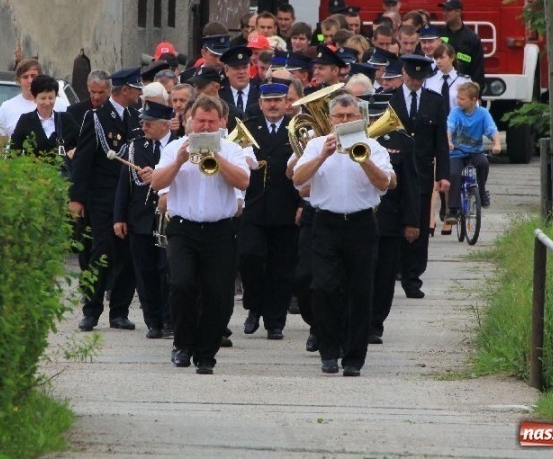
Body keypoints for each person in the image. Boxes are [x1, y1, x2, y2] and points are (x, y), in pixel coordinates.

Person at [292, 94, 393, 376]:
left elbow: (384, 183)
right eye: (339, 117)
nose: (344, 121)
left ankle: (353, 359)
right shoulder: (315, 145)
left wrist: (362, 159)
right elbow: (298, 180)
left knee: (360, 292)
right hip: (325, 224)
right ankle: (329, 351)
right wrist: (323, 155)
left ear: (360, 119)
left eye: (350, 117)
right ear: (331, 119)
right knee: (323, 288)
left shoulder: (373, 146)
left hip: (362, 224)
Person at [151, 95, 250, 375]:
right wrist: (180, 160)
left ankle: (206, 354)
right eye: (200, 121)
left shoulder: (231, 149)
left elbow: (243, 181)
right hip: (184, 228)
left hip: (220, 230)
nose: (205, 126)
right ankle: (182, 344)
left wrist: (216, 157)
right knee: (182, 284)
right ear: (188, 121)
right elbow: (157, 183)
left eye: (211, 121)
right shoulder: (173, 149)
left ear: (221, 123)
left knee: (217, 295)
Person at [70, 67, 144, 332]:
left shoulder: (137, 117)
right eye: (136, 89)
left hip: (130, 198)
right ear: (124, 90)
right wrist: (77, 197)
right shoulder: (97, 117)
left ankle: (119, 311)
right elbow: (84, 158)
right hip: (103, 198)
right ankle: (91, 310)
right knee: (101, 252)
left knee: (127, 255)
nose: (139, 94)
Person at [238, 83, 299, 340]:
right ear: (260, 103)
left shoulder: (297, 129)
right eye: (268, 100)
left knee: (281, 267)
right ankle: (254, 306)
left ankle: (275, 321)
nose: (273, 105)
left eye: (278, 100)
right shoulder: (247, 129)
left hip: (286, 207)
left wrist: (302, 205)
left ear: (287, 103)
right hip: (253, 207)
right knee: (250, 257)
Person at [113, 101, 178, 339]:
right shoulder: (135, 147)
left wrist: (159, 176)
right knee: (145, 272)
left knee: (168, 270)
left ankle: (170, 319)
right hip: (140, 218)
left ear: (163, 125)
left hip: (170, 219)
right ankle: (153, 321)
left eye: (148, 123)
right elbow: (124, 185)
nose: (143, 126)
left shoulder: (178, 145)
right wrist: (119, 217)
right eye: (142, 122)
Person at [388, 55, 448, 299]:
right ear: (403, 74)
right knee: (394, 223)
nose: (415, 82)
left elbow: (440, 141)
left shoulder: (435, 101)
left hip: (422, 172)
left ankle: (413, 278)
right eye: (411, 77)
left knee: (419, 227)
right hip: (393, 172)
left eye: (420, 79)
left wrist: (443, 174)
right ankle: (393, 271)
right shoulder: (390, 99)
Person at [367, 96, 420, 345]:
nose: (373, 121)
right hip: (358, 219)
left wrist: (412, 221)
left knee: (384, 276)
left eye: (378, 117)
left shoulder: (402, 142)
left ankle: (375, 324)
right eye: (369, 116)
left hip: (388, 220)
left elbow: (410, 184)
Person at [424, 43, 470, 235]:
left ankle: (449, 211)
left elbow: (470, 106)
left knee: (450, 172)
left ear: (452, 57)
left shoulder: (462, 80)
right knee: (434, 173)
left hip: (456, 132)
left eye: (442, 57)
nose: (439, 61)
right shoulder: (430, 81)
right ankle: (431, 218)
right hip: (435, 129)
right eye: (436, 58)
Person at [445, 81, 501, 221]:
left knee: (483, 164)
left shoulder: (483, 113)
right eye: (457, 98)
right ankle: (453, 209)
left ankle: (481, 191)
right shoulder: (455, 112)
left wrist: (497, 144)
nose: (458, 101)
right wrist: (448, 141)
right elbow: (449, 128)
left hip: (475, 150)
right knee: (453, 174)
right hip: (457, 152)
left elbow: (492, 130)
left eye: (462, 99)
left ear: (473, 100)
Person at [0, 58, 68, 144]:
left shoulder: (59, 104)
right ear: (18, 80)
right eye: (25, 77)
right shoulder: (7, 108)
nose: (30, 81)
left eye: (33, 76)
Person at [9, 75, 70, 162]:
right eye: (43, 98)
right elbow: (13, 152)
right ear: (34, 98)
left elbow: (81, 143)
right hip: (34, 173)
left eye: (51, 98)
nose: (47, 103)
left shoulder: (65, 119)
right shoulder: (25, 121)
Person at [439, 0, 485, 91]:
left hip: (464, 88)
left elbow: (478, 68)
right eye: (444, 10)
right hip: (441, 85)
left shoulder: (472, 38)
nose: (444, 13)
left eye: (448, 10)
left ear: (458, 12)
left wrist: (477, 95)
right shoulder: (439, 35)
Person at [219, 47, 261, 115]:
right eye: (236, 68)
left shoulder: (260, 93)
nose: (241, 72)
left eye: (244, 68)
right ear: (226, 71)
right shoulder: (220, 96)